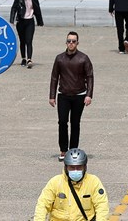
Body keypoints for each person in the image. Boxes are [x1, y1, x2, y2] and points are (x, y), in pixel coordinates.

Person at [49, 32, 94, 160]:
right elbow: (54, 77)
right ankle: (63, 150)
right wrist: (52, 96)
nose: (71, 43)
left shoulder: (83, 58)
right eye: (69, 41)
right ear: (66, 42)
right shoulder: (59, 59)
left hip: (79, 95)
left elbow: (90, 77)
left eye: (74, 41)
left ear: (77, 43)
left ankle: (73, 150)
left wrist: (89, 95)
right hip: (63, 95)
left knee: (75, 123)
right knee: (62, 122)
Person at [33, 147, 109, 221]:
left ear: (85, 167)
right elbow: (43, 204)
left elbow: (102, 206)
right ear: (66, 168)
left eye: (79, 167)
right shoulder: (55, 182)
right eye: (72, 167)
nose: (75, 170)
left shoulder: (93, 182)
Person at [10, 0, 44, 68]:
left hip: (30, 21)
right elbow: (14, 8)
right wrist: (12, 20)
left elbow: (37, 9)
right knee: (22, 41)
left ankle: (29, 59)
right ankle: (23, 58)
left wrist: (40, 21)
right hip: (21, 21)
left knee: (29, 41)